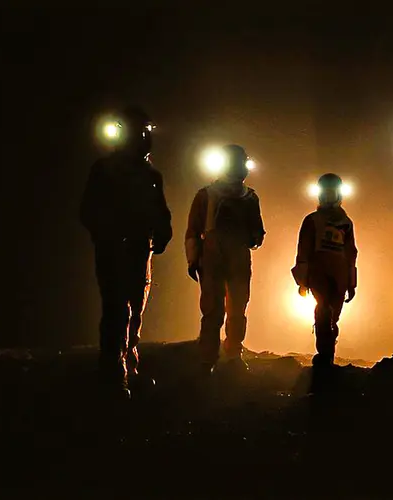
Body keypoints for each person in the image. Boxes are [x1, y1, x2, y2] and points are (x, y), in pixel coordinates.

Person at [80, 105, 172, 398]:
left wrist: (161, 233)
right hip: (116, 247)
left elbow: (160, 211)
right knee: (117, 308)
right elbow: (89, 210)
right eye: (140, 131)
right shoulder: (105, 170)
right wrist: (105, 235)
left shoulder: (150, 174)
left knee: (134, 308)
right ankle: (114, 372)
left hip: (136, 247)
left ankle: (128, 365)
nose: (143, 137)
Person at [185, 144, 265, 376]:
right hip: (221, 258)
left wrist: (193, 260)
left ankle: (221, 357)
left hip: (224, 258)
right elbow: (194, 230)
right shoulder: (215, 195)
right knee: (218, 310)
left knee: (231, 309)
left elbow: (256, 233)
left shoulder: (234, 196)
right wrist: (194, 258)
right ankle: (217, 357)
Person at [292, 173, 358, 369]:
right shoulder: (312, 220)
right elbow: (303, 249)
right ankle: (324, 354)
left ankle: (328, 354)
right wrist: (303, 281)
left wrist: (351, 282)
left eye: (332, 193)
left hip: (339, 276)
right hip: (319, 272)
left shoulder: (346, 223)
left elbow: (351, 253)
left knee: (333, 315)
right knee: (323, 310)